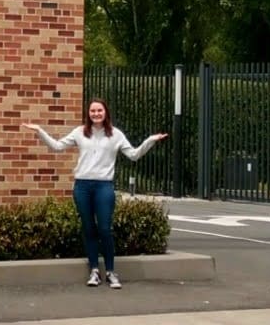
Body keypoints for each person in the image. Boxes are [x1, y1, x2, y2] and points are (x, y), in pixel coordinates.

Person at [22, 100, 166, 288]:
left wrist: (150, 141)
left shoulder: (115, 135)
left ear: (106, 112)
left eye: (99, 110)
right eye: (92, 111)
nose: (96, 113)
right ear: (88, 113)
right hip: (82, 186)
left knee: (105, 229)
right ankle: (94, 271)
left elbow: (134, 155)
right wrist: (39, 131)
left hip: (103, 187)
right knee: (89, 229)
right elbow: (57, 147)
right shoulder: (80, 132)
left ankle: (111, 272)